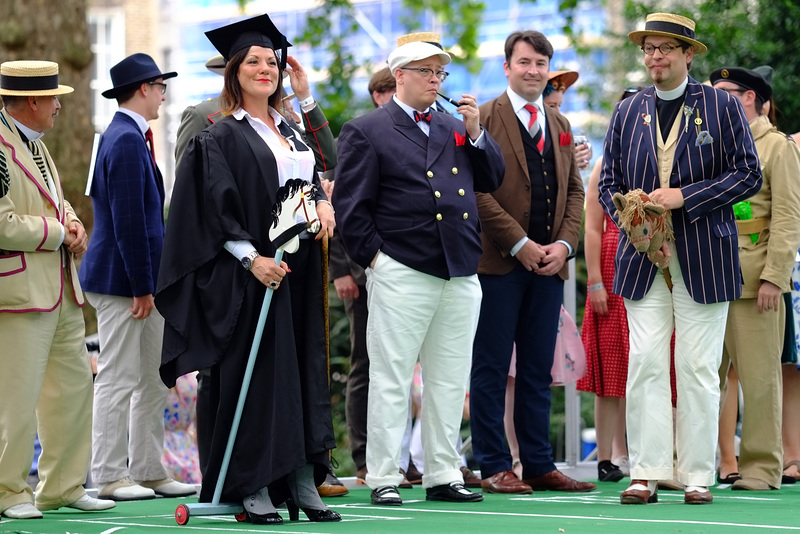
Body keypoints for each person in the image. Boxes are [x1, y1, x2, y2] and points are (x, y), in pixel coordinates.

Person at [156, 13, 339, 524]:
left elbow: (306, 188)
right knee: (258, 378)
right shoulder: (222, 135)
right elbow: (210, 212)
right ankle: (252, 481)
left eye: (271, 62)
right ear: (234, 70)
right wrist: (250, 259)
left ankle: (302, 478)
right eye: (253, 62)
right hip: (252, 277)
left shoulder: (291, 132)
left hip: (298, 272)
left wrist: (321, 208)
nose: (265, 69)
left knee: (302, 372)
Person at [333, 32, 505, 506]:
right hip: (402, 268)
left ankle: (443, 472)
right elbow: (351, 209)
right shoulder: (367, 128)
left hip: (458, 267)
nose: (435, 79)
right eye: (426, 71)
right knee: (390, 378)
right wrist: (377, 261)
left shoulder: (454, 125)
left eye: (440, 72)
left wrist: (476, 133)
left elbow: (493, 178)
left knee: (449, 378)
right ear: (400, 76)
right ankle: (384, 474)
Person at [599, 13, 762, 505]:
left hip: (705, 258)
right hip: (643, 259)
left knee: (697, 369)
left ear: (689, 55)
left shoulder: (722, 108)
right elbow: (608, 186)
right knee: (645, 364)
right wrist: (639, 226)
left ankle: (696, 476)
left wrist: (683, 198)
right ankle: (645, 474)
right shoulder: (627, 111)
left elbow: (748, 176)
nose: (655, 57)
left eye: (666, 48)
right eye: (648, 48)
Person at [470, 30, 591, 496]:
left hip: (550, 267)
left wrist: (564, 245)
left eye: (541, 63)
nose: (534, 71)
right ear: (507, 67)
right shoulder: (481, 117)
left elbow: (575, 191)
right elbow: (476, 192)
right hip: (498, 264)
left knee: (539, 370)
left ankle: (539, 464)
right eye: (525, 62)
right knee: (492, 368)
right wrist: (520, 243)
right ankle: (496, 465)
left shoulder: (559, 124)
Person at [0, 59, 115, 519]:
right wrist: (57, 230)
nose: (58, 109)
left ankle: (63, 486)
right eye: (54, 100)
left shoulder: (35, 143)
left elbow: (53, 197)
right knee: (17, 399)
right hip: (21, 294)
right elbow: (3, 224)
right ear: (32, 101)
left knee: (72, 389)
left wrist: (69, 218)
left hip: (62, 290)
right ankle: (8, 492)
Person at [79, 53, 195, 502]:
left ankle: (148, 469)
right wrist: (143, 287)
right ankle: (108, 474)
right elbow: (128, 222)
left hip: (137, 280)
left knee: (154, 377)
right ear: (144, 88)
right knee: (118, 377)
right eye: (160, 86)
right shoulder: (125, 139)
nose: (164, 94)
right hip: (124, 283)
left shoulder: (128, 135)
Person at [710, 65, 800, 490]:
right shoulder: (713, 141)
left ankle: (762, 469)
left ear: (749, 97)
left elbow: (787, 217)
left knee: (761, 379)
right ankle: (694, 465)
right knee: (701, 376)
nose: (714, 98)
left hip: (754, 279)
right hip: (707, 275)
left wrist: (775, 278)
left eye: (724, 91)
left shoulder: (777, 147)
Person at [327, 66, 395, 484]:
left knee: (402, 368)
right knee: (365, 364)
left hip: (406, 271)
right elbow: (338, 205)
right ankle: (364, 456)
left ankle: (400, 456)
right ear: (375, 95)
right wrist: (341, 270)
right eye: (384, 90)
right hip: (361, 272)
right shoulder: (357, 134)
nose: (390, 97)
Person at [578, 86, 644, 483]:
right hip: (610, 266)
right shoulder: (605, 165)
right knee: (610, 370)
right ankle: (606, 458)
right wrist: (595, 283)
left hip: (651, 264)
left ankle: (648, 454)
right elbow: (591, 226)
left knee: (654, 364)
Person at [541, 70, 592, 170]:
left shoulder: (561, 130)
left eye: (559, 105)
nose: (558, 112)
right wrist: (569, 164)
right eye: (551, 106)